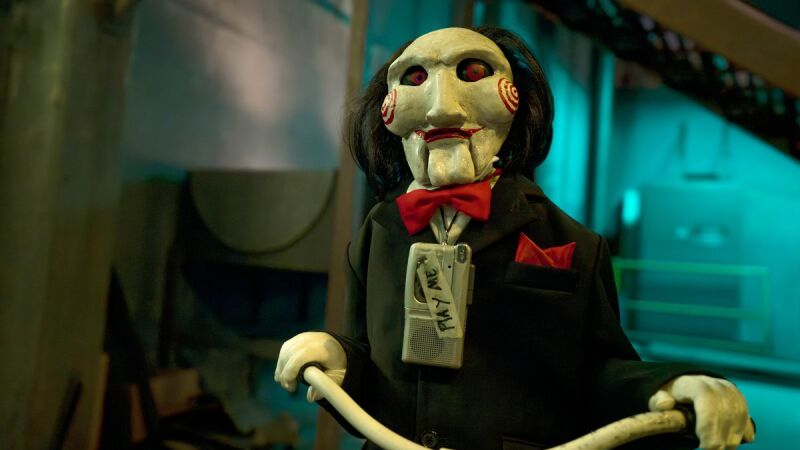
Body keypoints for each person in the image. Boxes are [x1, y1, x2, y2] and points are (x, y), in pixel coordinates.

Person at [275, 26, 753, 450]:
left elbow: (599, 374)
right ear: (388, 109)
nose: (441, 107)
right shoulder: (379, 231)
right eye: (416, 78)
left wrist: (675, 386)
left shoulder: (573, 245)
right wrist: (338, 358)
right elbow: (371, 366)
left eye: (473, 72)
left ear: (517, 101)